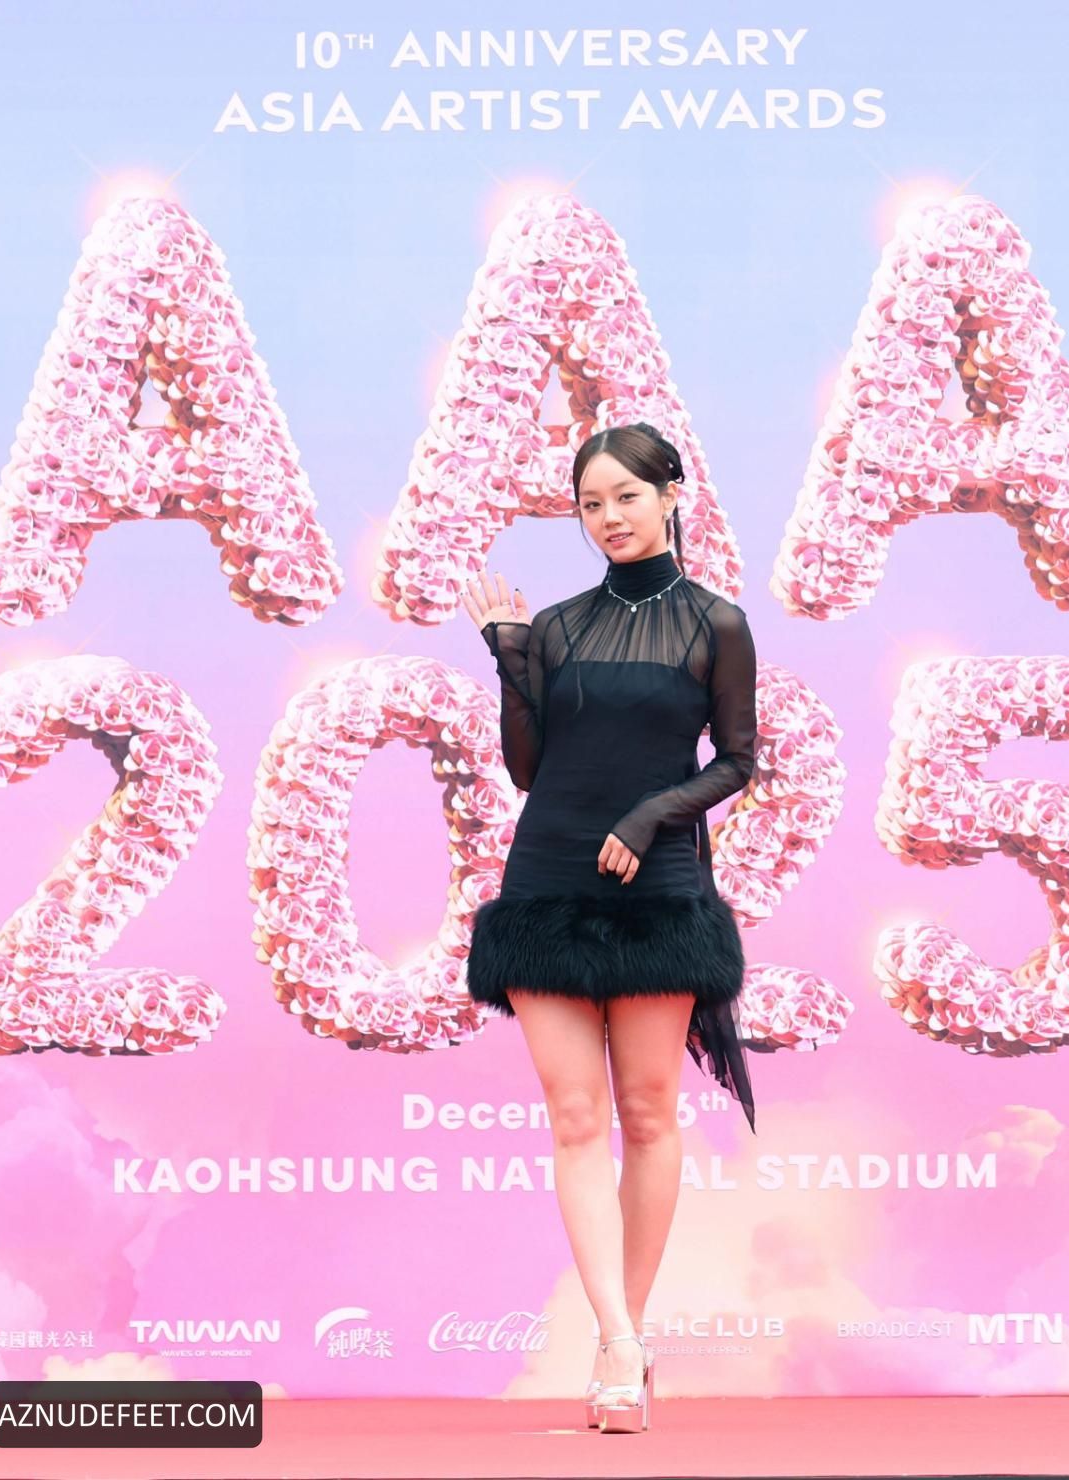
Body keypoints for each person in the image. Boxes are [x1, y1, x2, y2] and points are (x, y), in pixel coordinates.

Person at [460, 422, 758, 1435]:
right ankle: (621, 1340)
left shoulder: (716, 622)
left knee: (647, 1111)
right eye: (591, 504)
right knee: (577, 1117)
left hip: (657, 886)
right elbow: (529, 769)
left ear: (672, 494)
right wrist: (510, 657)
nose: (609, 518)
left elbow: (737, 759)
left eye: (626, 496)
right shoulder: (555, 625)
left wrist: (648, 818)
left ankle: (616, 1338)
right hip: (546, 881)